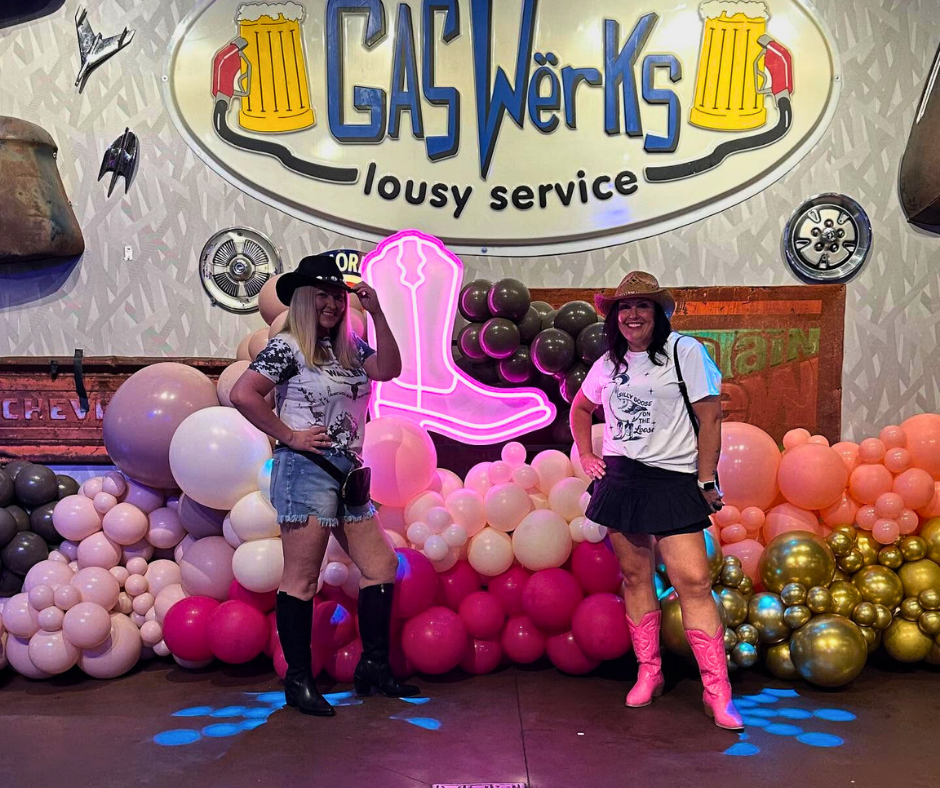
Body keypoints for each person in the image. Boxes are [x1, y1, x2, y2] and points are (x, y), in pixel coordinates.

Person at [231, 254, 418, 717]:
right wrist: (290, 435)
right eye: (322, 294)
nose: (332, 303)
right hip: (306, 468)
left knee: (380, 564)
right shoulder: (289, 346)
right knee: (302, 578)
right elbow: (243, 393)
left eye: (337, 295)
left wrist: (377, 313)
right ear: (303, 299)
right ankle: (298, 683)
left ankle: (373, 666)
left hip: (348, 471)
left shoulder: (350, 348)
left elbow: (389, 369)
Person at [569, 271, 742, 731]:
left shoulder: (686, 352)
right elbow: (581, 408)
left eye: (642, 305)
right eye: (624, 307)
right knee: (634, 577)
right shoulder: (608, 363)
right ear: (614, 317)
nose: (632, 314)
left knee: (694, 581)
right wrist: (586, 454)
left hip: (673, 479)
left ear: (658, 313)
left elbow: (710, 419)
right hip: (622, 480)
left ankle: (717, 690)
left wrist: (706, 478)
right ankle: (649, 672)